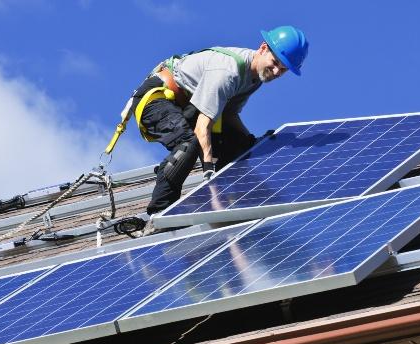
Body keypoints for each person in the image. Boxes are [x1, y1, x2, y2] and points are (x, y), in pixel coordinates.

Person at [129, 26, 309, 235]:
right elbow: (202, 127)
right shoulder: (229, 72)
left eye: (284, 69)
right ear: (263, 48)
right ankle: (159, 216)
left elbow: (229, 115)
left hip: (188, 107)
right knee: (189, 144)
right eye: (275, 62)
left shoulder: (254, 78)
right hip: (155, 99)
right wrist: (208, 172)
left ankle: (237, 202)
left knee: (240, 146)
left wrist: (251, 142)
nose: (277, 71)